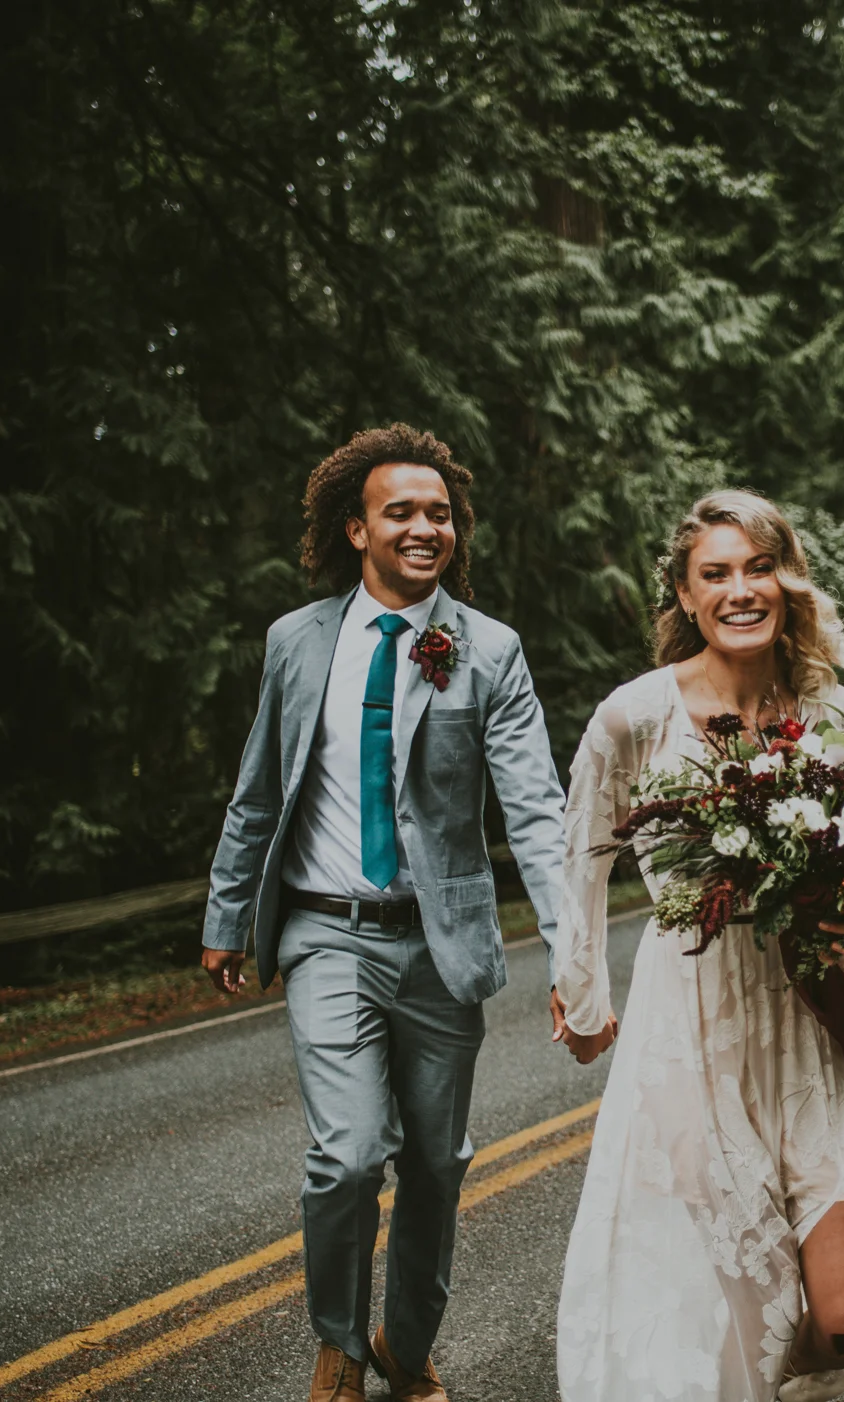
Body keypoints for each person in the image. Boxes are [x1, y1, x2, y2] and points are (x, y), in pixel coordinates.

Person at [199, 424, 566, 1402]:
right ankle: (337, 1343)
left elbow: (534, 807)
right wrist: (227, 911)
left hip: (441, 946)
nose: (424, 527)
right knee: (348, 1155)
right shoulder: (296, 641)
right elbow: (258, 792)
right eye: (401, 511)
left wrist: (572, 948)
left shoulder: (487, 651)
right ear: (356, 528)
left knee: (437, 1165)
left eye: (439, 513)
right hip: (325, 932)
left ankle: (406, 1348)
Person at [551, 489, 844, 1402]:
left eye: (758, 568)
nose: (741, 590)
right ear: (686, 595)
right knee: (725, 1320)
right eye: (717, 574)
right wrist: (584, 996)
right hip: (689, 1034)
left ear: (787, 583)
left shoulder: (828, 714)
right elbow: (580, 851)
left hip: (805, 1026)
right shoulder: (636, 715)